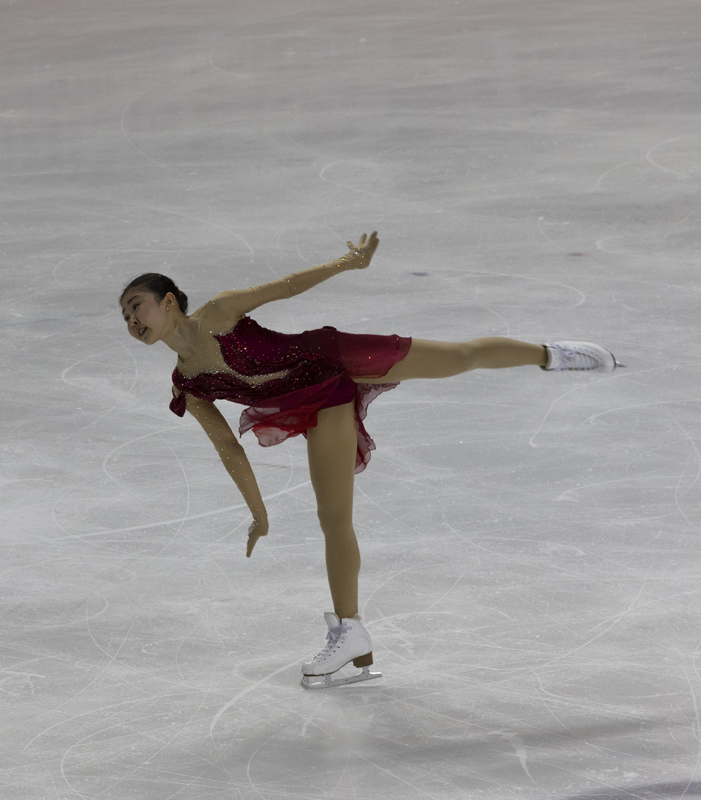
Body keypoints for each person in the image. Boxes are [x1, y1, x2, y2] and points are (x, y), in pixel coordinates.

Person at [118, 231, 622, 689]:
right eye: (125, 317)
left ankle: (553, 354)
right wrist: (260, 513)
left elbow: (287, 286)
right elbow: (228, 447)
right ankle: (350, 632)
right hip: (319, 401)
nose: (132, 320)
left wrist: (346, 263)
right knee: (334, 517)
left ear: (168, 302)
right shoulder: (187, 383)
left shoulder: (219, 313)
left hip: (335, 358)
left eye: (136, 306)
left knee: (458, 358)